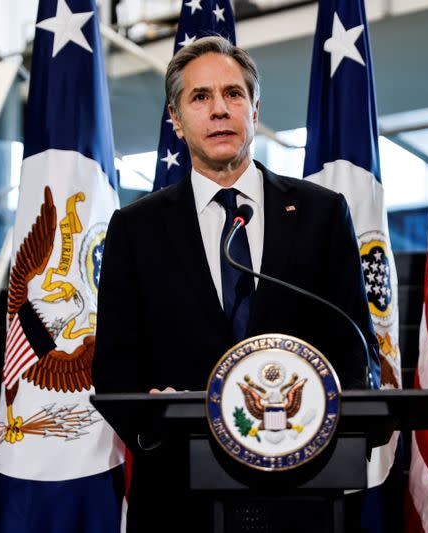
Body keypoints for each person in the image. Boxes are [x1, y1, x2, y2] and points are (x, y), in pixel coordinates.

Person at [92, 36, 379, 532]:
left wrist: (339, 426)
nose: (219, 109)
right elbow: (115, 367)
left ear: (254, 108)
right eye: (200, 97)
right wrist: (153, 416)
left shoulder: (322, 214)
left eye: (234, 94)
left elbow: (354, 347)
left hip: (305, 489)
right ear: (177, 121)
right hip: (178, 497)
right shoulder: (135, 229)